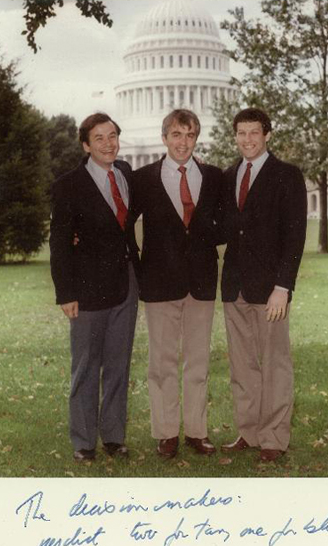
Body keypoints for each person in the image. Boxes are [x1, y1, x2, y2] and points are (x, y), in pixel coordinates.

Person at [131, 109, 223, 459]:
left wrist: (200, 238)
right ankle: (167, 432)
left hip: (200, 282)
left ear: (196, 138)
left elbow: (226, 223)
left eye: (189, 135)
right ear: (164, 137)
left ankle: (197, 432)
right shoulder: (143, 179)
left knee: (197, 361)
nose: (182, 142)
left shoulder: (214, 178)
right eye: (176, 135)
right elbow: (124, 227)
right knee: (162, 362)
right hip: (158, 282)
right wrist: (138, 267)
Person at [49, 112, 139, 462]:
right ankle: (84, 441)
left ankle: (114, 437)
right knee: (86, 366)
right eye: (99, 138)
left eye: (113, 135)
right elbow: (59, 242)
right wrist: (65, 293)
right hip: (86, 290)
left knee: (119, 364)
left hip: (126, 283)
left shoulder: (126, 174)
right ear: (86, 145)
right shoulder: (68, 185)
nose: (108, 143)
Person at [220, 107, 307, 462]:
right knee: (242, 366)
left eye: (254, 132)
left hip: (270, 290)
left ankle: (273, 436)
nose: (247, 139)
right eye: (241, 133)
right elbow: (220, 228)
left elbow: (295, 235)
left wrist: (282, 287)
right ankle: (249, 431)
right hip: (234, 287)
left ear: (267, 134)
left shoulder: (287, 175)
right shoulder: (228, 176)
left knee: (275, 364)